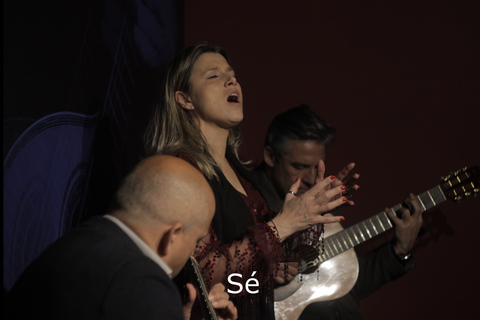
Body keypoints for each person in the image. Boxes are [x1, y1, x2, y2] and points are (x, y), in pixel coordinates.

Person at [144, 44, 354, 320]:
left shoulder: (240, 172)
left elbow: (255, 272)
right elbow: (202, 273)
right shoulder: (180, 170)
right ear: (185, 99)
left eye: (231, 74)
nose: (231, 80)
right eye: (213, 76)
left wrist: (312, 209)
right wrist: (284, 225)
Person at [5, 155, 238, 320]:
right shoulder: (141, 285)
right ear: (173, 236)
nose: (193, 254)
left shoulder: (74, 245)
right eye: (196, 241)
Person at [252, 104, 423, 320]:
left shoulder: (315, 198)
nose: (311, 178)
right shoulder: (244, 199)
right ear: (270, 156)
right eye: (299, 166)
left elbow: (353, 282)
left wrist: (401, 250)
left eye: (317, 166)